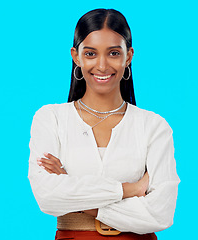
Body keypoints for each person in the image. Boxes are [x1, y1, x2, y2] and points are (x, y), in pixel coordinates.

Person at [28, 8, 180, 240]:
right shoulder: (51, 119)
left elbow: (161, 214)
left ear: (128, 56)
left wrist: (81, 199)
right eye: (90, 53)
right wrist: (129, 190)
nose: (101, 65)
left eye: (113, 53)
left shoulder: (153, 126)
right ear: (76, 56)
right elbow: (47, 197)